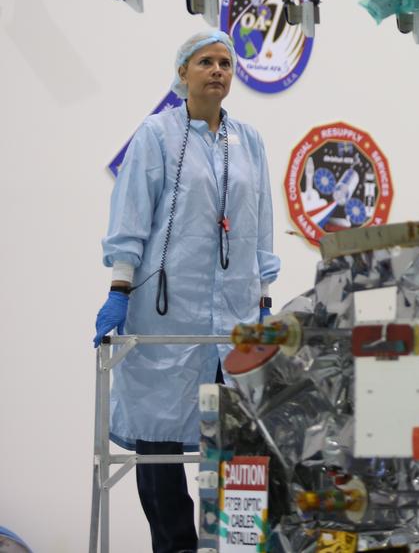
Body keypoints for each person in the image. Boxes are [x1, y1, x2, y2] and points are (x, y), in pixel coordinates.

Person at [93, 31, 280, 553]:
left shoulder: (250, 142)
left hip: (234, 316)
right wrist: (119, 288)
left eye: (225, 63)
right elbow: (130, 216)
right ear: (183, 73)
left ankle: (231, 544)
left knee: (237, 440)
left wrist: (265, 299)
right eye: (206, 62)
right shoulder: (155, 135)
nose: (218, 70)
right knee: (159, 437)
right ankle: (174, 546)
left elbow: (262, 225)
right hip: (165, 314)